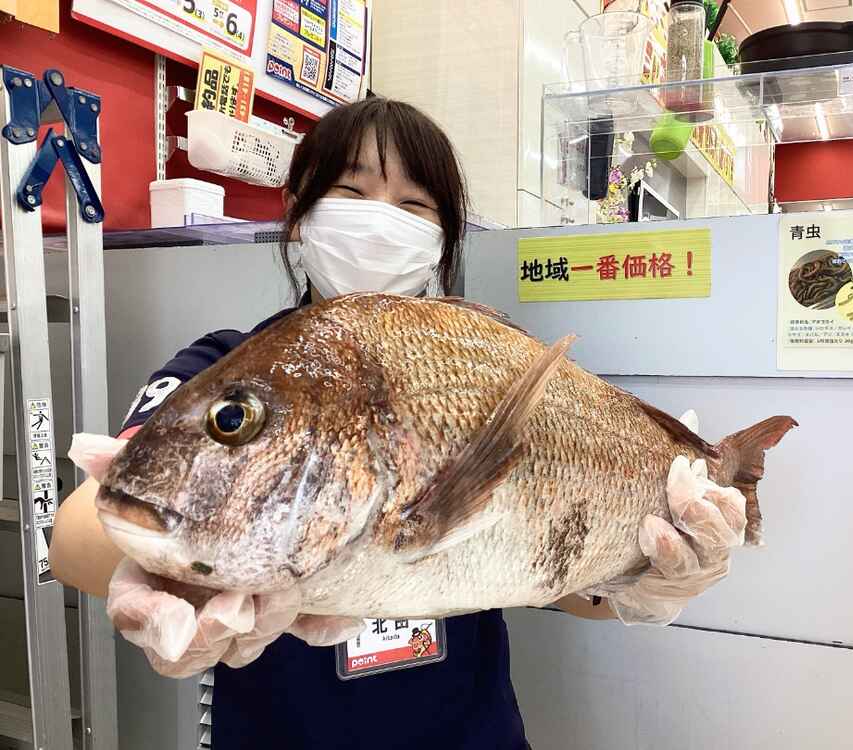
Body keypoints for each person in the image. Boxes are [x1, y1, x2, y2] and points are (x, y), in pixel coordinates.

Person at [50, 98, 746, 749]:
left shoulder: (488, 368)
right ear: (298, 215)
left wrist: (647, 582)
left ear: (442, 240)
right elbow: (77, 538)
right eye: (351, 191)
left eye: (414, 204)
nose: (379, 220)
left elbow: (562, 582)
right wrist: (165, 569)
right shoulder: (231, 364)